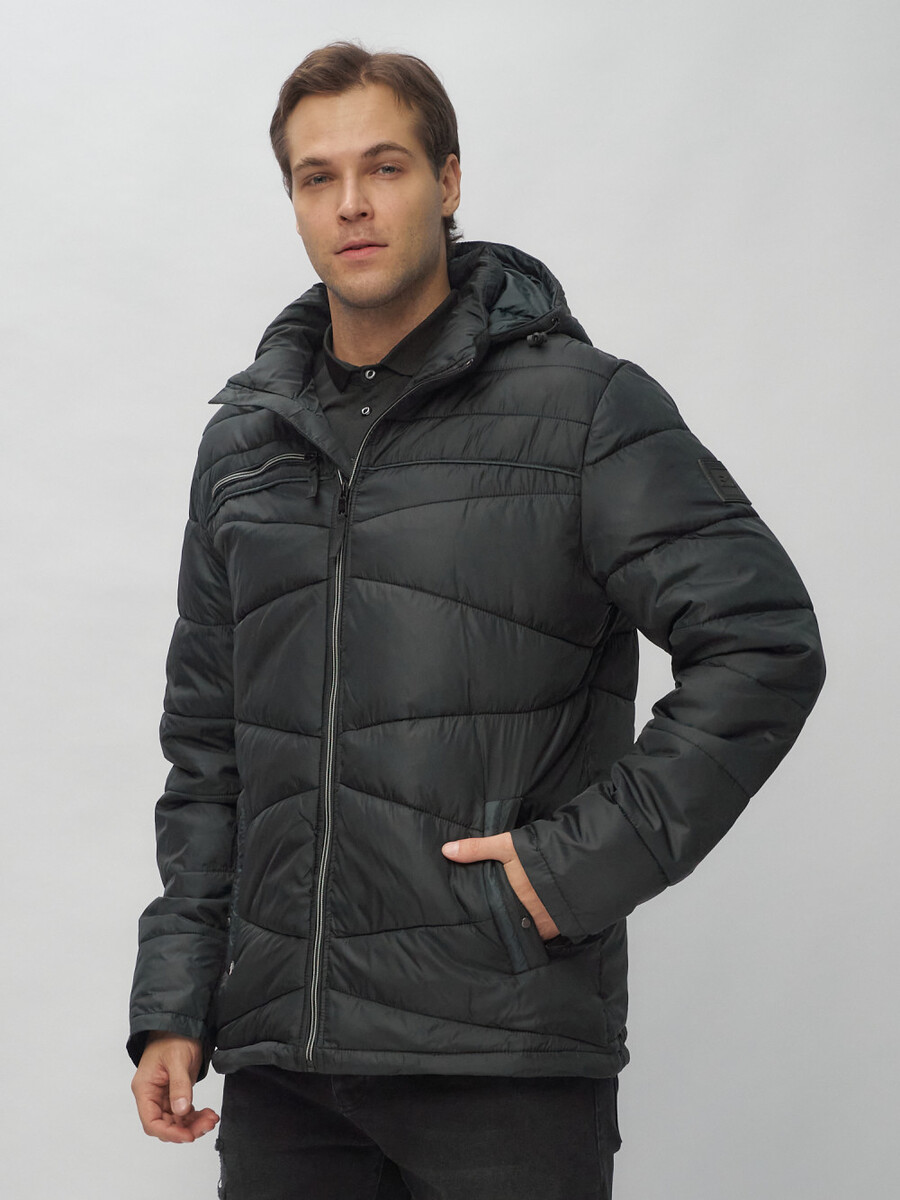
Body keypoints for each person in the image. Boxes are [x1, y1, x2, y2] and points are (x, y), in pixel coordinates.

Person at [128, 41, 826, 1200]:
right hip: (284, 1069)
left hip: (502, 1061)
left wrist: (567, 873)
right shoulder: (246, 445)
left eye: (385, 166)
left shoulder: (584, 410)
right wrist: (176, 998)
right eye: (316, 177)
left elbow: (763, 642)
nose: (351, 203)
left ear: (448, 181)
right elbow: (209, 746)